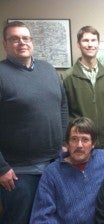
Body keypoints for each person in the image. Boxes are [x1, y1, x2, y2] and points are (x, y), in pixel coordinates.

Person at [0, 21, 68, 223]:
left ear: (32, 42)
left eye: (25, 38)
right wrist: (1, 168)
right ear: (5, 44)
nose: (21, 42)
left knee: (51, 217)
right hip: (18, 171)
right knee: (20, 219)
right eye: (14, 38)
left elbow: (63, 106)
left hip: (54, 163)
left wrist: (62, 141)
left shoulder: (48, 70)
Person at [29, 117, 104, 223]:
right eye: (74, 139)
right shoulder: (52, 173)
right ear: (67, 143)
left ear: (93, 144)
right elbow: (41, 217)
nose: (79, 145)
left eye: (85, 140)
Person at [61, 26, 104, 149]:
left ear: (98, 44)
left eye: (93, 40)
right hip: (81, 143)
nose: (90, 44)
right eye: (85, 40)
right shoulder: (67, 77)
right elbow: (63, 112)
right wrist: (64, 142)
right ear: (78, 44)